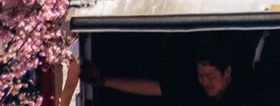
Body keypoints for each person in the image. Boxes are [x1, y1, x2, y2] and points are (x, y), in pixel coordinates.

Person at [87, 43, 249, 102]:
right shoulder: (191, 88)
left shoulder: (247, 96)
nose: (205, 82)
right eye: (201, 76)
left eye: (210, 76)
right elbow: (153, 88)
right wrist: (104, 81)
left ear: (227, 72)